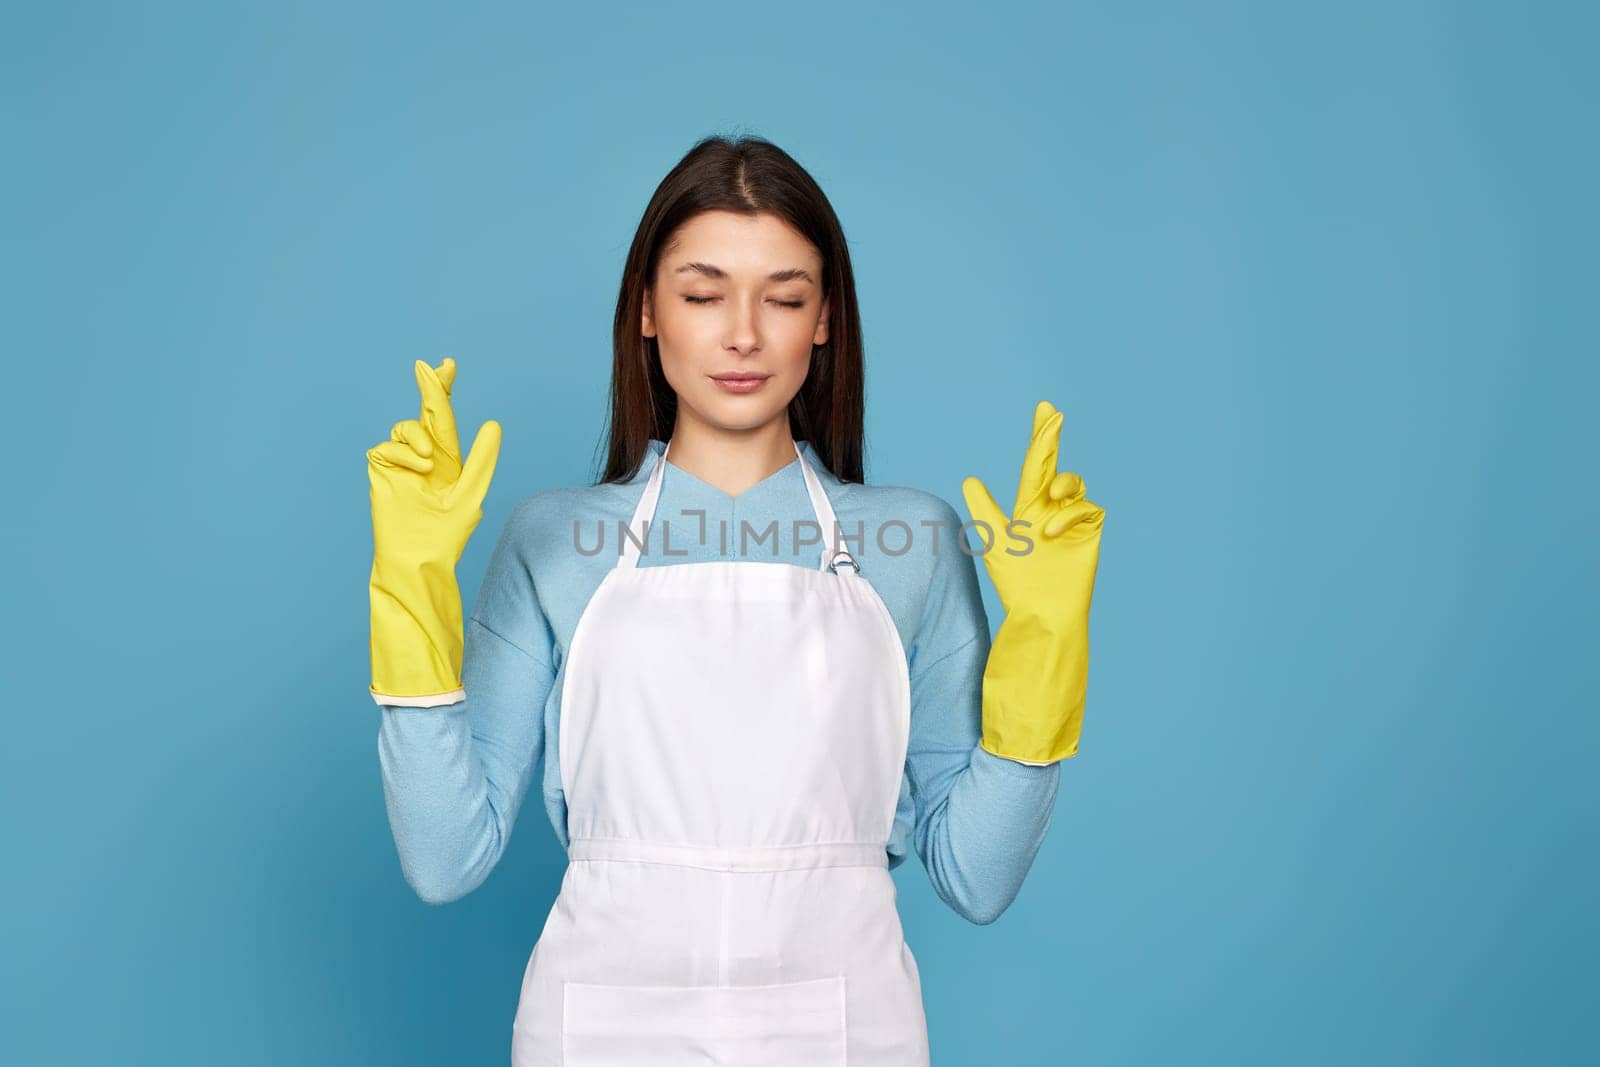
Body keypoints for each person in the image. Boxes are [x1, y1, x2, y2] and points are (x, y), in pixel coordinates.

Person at [364, 135, 1105, 1066]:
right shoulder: (552, 540)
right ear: (647, 311)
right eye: (703, 294)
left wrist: (1046, 635)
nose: (743, 333)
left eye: (785, 297)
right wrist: (411, 582)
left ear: (824, 319)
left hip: (847, 1029)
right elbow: (444, 859)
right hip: (599, 1028)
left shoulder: (908, 541)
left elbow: (978, 877)